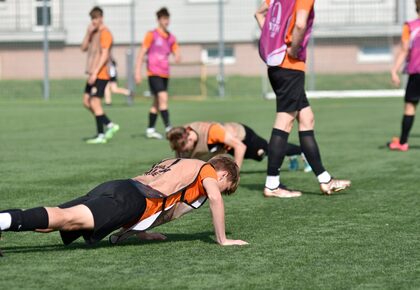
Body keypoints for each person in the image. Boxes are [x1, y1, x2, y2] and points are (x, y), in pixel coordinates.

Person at [0, 156, 247, 256]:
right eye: (225, 186)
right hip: (130, 199)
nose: (217, 189)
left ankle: (5, 222)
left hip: (119, 187)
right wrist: (222, 240)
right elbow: (215, 198)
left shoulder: (179, 163)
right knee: (64, 218)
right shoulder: (206, 170)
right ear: (224, 175)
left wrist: (137, 232)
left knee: (53, 224)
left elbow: (166, 210)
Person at [255, 0, 350, 198]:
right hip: (290, 67)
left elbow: (261, 16)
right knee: (285, 120)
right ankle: (272, 184)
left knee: (307, 118)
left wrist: (276, 44)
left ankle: (325, 180)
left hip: (278, 65)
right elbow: (299, 24)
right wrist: (293, 49)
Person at [167, 121, 311, 172]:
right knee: (263, 154)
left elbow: (240, 147)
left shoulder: (212, 131)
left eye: (183, 147)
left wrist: (235, 173)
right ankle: (291, 155)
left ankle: (302, 151)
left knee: (267, 150)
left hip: (243, 137)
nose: (183, 151)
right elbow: (182, 161)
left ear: (189, 135)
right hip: (229, 147)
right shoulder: (182, 137)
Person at [135, 7, 181, 139]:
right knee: (163, 98)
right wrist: (137, 72)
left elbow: (177, 51)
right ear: (159, 20)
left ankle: (150, 129)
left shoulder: (171, 37)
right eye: (164, 19)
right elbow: (141, 53)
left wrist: (178, 55)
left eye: (168, 19)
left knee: (157, 103)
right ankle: (169, 127)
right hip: (153, 73)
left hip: (165, 74)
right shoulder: (152, 35)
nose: (166, 22)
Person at [81, 6, 119, 144]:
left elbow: (104, 54)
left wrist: (96, 72)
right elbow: (83, 48)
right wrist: (87, 33)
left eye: (96, 18)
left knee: (95, 102)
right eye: (92, 19)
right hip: (92, 73)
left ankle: (101, 135)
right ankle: (109, 125)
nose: (94, 21)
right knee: (86, 102)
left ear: (101, 18)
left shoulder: (105, 33)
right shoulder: (93, 32)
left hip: (101, 74)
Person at [389, 0, 420, 151]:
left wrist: (394, 70)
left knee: (410, 107)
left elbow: (404, 50)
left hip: (416, 73)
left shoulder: (410, 26)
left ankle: (403, 142)